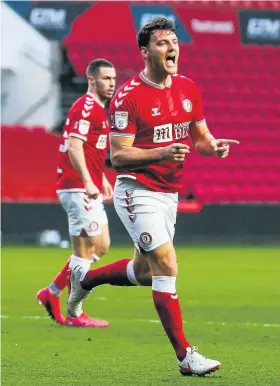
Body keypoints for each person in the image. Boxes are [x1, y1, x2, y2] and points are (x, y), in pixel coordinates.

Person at [67, 18, 239, 375]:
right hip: (137, 190)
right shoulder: (128, 97)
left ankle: (84, 280)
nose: (171, 48)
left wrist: (214, 146)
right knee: (167, 266)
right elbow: (118, 156)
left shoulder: (189, 88)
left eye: (173, 41)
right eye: (162, 43)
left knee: (145, 272)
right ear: (145, 52)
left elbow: (201, 139)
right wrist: (161, 153)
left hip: (169, 193)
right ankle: (185, 357)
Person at [36, 59, 116, 327]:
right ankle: (74, 313)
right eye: (106, 78)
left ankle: (52, 292)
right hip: (77, 186)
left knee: (101, 245)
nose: (112, 83)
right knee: (83, 251)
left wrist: (100, 176)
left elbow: (88, 149)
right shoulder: (86, 107)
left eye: (113, 78)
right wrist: (88, 180)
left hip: (86, 185)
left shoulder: (95, 109)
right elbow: (73, 147)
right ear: (92, 80)